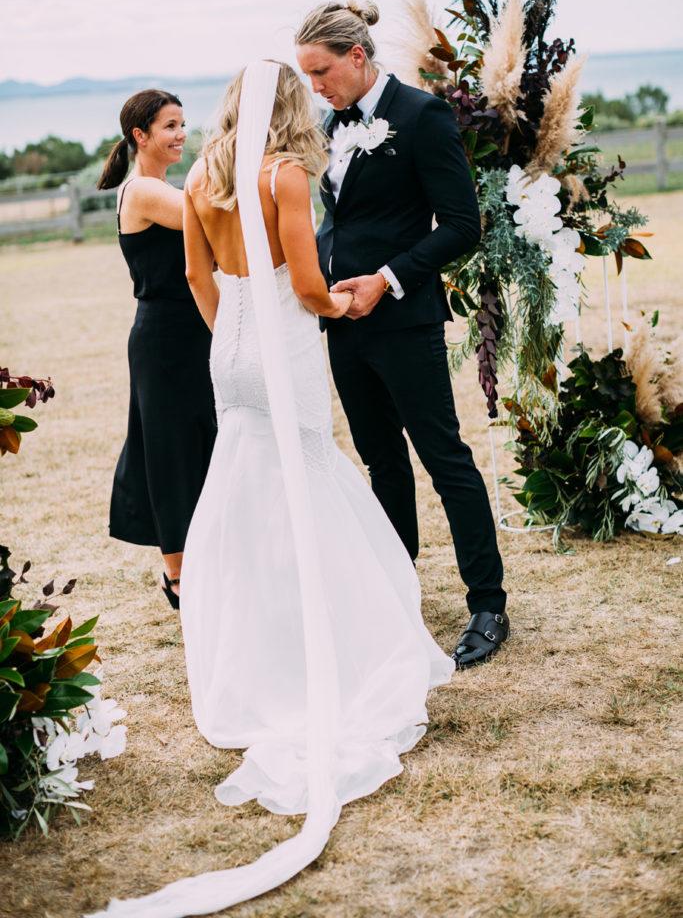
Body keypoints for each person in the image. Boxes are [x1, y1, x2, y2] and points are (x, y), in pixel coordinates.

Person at [85, 60, 454, 917]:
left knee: (246, 487)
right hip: (282, 340)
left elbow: (194, 278)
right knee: (310, 477)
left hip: (229, 349)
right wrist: (346, 304)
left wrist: (234, 336)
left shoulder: (207, 174)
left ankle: (257, 640)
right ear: (289, 108)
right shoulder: (283, 175)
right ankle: (332, 640)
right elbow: (308, 282)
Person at [295, 0, 510, 668]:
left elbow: (460, 224)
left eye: (322, 71)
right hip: (342, 325)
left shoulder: (421, 116)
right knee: (378, 460)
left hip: (404, 318)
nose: (316, 87)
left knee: (443, 458)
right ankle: (394, 590)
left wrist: (384, 279)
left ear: (357, 57)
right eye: (306, 77)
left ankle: (488, 605)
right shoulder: (328, 122)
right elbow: (339, 216)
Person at [98, 90, 216, 609]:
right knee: (169, 453)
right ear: (139, 136)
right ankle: (178, 575)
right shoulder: (143, 192)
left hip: (194, 332)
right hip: (164, 339)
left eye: (183, 124)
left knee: (205, 443)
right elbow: (208, 214)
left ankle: (210, 558)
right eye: (170, 126)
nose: (181, 134)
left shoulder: (165, 186)